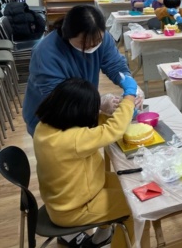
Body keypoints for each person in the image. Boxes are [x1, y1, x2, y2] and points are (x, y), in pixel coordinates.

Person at [34, 77, 137, 248]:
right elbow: (113, 131)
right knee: (135, 206)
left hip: (69, 197)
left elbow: (87, 127)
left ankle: (101, 236)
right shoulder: (73, 140)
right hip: (77, 208)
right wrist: (129, 99)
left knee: (129, 184)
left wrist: (114, 113)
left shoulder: (44, 127)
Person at [23, 5, 139, 137]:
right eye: (84, 42)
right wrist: (97, 103)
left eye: (97, 41)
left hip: (81, 111)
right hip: (49, 118)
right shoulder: (45, 53)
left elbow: (115, 64)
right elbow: (59, 100)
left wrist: (129, 82)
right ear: (68, 34)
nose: (92, 45)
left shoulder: (101, 37)